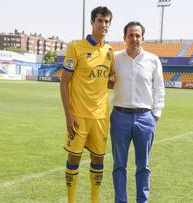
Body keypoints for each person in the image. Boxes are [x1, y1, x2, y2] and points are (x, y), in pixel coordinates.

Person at [60, 6, 114, 203]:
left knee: (98, 159)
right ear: (92, 22)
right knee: (74, 158)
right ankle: (71, 200)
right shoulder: (76, 47)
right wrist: (68, 115)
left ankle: (94, 200)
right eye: (100, 21)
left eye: (107, 21)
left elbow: (109, 80)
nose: (103, 25)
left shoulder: (109, 52)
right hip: (79, 116)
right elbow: (64, 82)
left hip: (100, 117)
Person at [110, 21, 165, 203]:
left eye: (137, 35)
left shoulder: (153, 60)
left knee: (143, 165)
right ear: (124, 37)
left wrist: (155, 115)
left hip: (145, 117)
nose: (134, 39)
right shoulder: (115, 58)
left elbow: (159, 88)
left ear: (143, 38)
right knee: (119, 165)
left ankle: (142, 201)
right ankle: (121, 200)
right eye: (130, 35)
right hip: (119, 116)